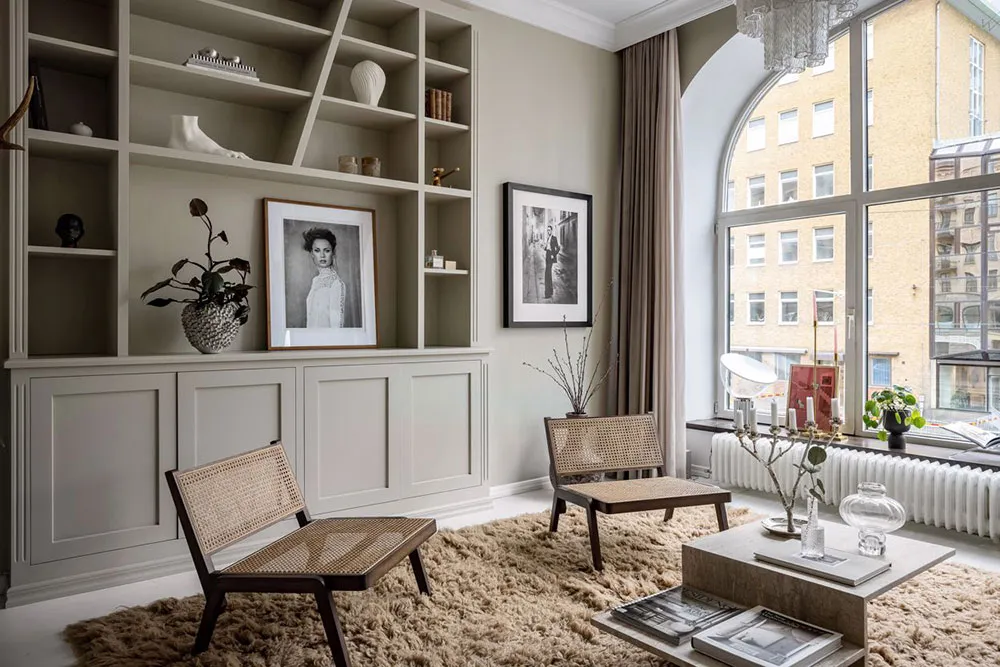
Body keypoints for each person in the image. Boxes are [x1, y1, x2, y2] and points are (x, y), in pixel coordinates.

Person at [303, 227, 345, 328]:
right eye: (317, 250)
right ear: (312, 254)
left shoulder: (337, 284)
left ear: (333, 253)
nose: (322, 255)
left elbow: (337, 326)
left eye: (327, 250)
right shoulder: (315, 281)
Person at [544, 224, 560, 299]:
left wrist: (553, 254)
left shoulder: (554, 238)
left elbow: (558, 248)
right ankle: (550, 291)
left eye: (549, 230)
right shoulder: (548, 238)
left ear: (551, 231)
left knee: (547, 274)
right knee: (547, 274)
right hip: (547, 256)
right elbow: (547, 248)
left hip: (551, 256)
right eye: (547, 230)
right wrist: (545, 247)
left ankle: (548, 293)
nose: (548, 231)